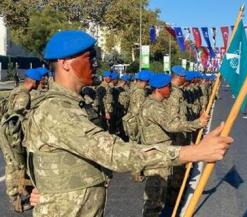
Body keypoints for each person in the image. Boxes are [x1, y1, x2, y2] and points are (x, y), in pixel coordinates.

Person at [23, 30, 232, 217]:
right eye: (90, 57)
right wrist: (193, 152)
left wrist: (43, 184)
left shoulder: (74, 103)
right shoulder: (58, 110)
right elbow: (113, 153)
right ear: (65, 62)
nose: (96, 64)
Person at [138, 73, 209, 216]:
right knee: (154, 201)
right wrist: (197, 124)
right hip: (155, 156)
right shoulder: (153, 107)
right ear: (159, 89)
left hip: (161, 153)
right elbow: (171, 125)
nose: (170, 89)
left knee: (160, 197)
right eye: (168, 87)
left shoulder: (155, 104)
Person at [3, 68, 42, 212]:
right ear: (33, 82)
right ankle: (15, 200)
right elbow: (17, 119)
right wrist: (17, 143)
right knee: (15, 165)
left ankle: (22, 193)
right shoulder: (24, 96)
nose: (39, 84)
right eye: (38, 82)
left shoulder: (17, 90)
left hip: (10, 131)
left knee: (18, 165)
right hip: (13, 134)